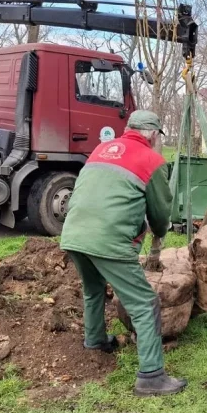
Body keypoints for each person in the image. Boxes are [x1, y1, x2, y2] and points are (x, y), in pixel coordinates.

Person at [59, 110, 187, 397]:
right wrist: (158, 234)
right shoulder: (152, 160)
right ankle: (152, 376)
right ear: (153, 135)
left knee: (92, 289)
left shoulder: (102, 149)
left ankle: (95, 342)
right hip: (108, 240)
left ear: (128, 129)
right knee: (144, 303)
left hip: (74, 233)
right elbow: (160, 212)